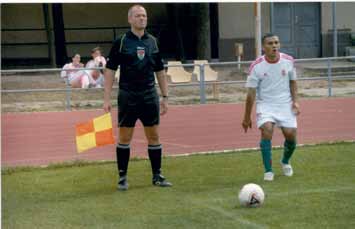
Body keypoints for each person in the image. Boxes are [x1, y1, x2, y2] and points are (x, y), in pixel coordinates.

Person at [103, 4, 172, 190]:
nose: (142, 18)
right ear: (130, 19)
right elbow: (110, 70)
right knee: (125, 136)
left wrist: (165, 97)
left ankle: (157, 175)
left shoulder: (153, 42)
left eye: (144, 15)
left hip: (149, 95)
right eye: (138, 15)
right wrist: (106, 98)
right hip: (128, 95)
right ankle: (122, 177)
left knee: (154, 135)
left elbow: (159, 70)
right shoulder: (121, 41)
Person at [242, 33, 300, 181]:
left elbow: (293, 82)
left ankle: (285, 161)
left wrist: (295, 101)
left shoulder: (288, 61)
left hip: (285, 103)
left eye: (276, 42)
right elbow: (251, 94)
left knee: (291, 135)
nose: (274, 45)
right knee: (267, 130)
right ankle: (268, 171)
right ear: (263, 47)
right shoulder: (256, 66)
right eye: (270, 43)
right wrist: (247, 116)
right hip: (266, 104)